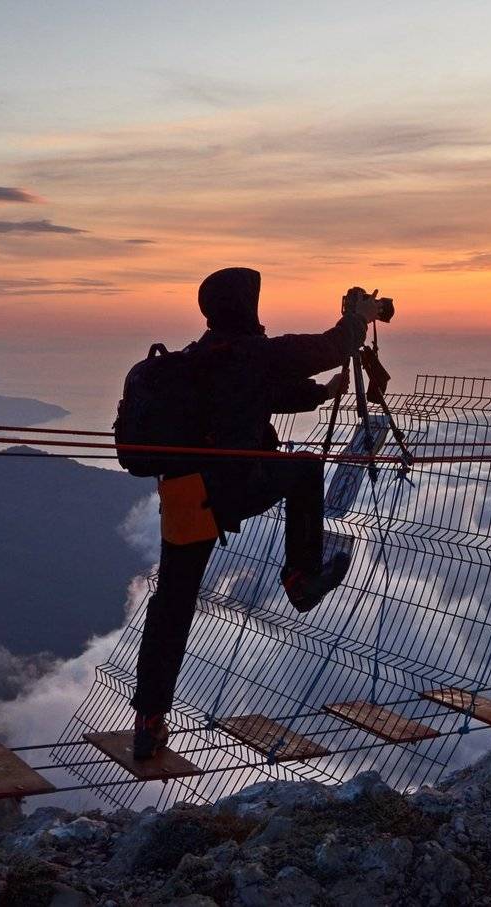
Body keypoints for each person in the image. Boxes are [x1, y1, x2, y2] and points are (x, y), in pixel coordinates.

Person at [130, 267, 382, 760]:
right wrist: (358, 319)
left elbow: (270, 394)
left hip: (182, 498)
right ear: (247, 306)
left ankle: (149, 721)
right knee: (305, 468)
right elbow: (327, 348)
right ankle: (300, 576)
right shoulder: (253, 354)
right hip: (230, 488)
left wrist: (323, 394)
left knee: (172, 607)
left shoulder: (199, 359)